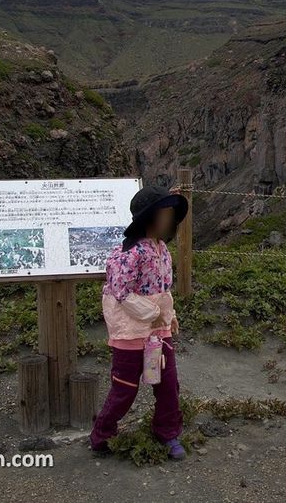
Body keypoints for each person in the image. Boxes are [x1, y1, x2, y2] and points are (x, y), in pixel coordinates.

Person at [89, 184, 189, 459]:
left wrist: (170, 316)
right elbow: (121, 293)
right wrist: (153, 313)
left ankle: (168, 432)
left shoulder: (161, 250)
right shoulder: (129, 254)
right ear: (150, 217)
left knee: (168, 383)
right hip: (130, 333)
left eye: (171, 214)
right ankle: (102, 434)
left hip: (159, 331)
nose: (169, 220)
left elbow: (164, 289)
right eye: (164, 213)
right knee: (125, 387)